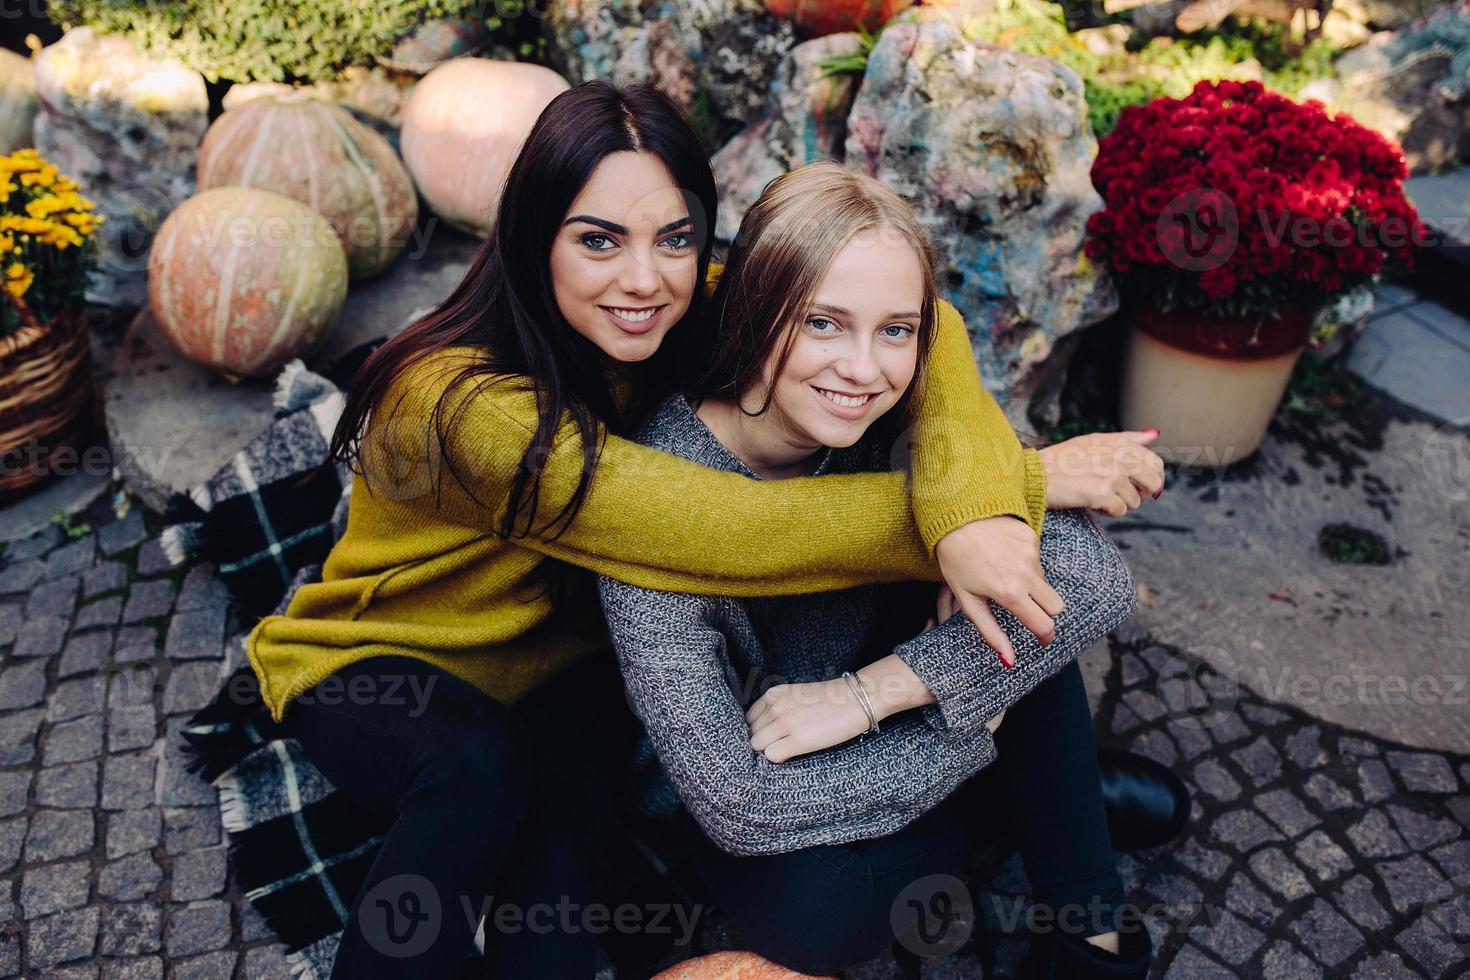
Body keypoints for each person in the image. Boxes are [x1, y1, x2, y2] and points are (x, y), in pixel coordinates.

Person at [243, 80, 1110, 978]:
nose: (644, 279)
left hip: (563, 658)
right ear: (531, 233)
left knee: (564, 859)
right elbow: (721, 529)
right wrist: (1018, 483)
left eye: (676, 238)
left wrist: (973, 509)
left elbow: (927, 319)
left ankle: (1045, 815)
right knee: (476, 774)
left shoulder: (684, 301)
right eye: (597, 240)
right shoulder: (467, 407)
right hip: (389, 666)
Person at [598, 162, 1158, 978]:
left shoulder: (896, 410)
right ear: (756, 311)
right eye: (824, 324)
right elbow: (736, 805)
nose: (865, 372)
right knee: (813, 915)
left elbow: (1091, 578)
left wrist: (881, 693)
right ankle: (1028, 786)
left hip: (860, 690)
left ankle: (1090, 931)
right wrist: (975, 728)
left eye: (895, 330)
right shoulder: (657, 498)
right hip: (760, 763)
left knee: (1014, 591)